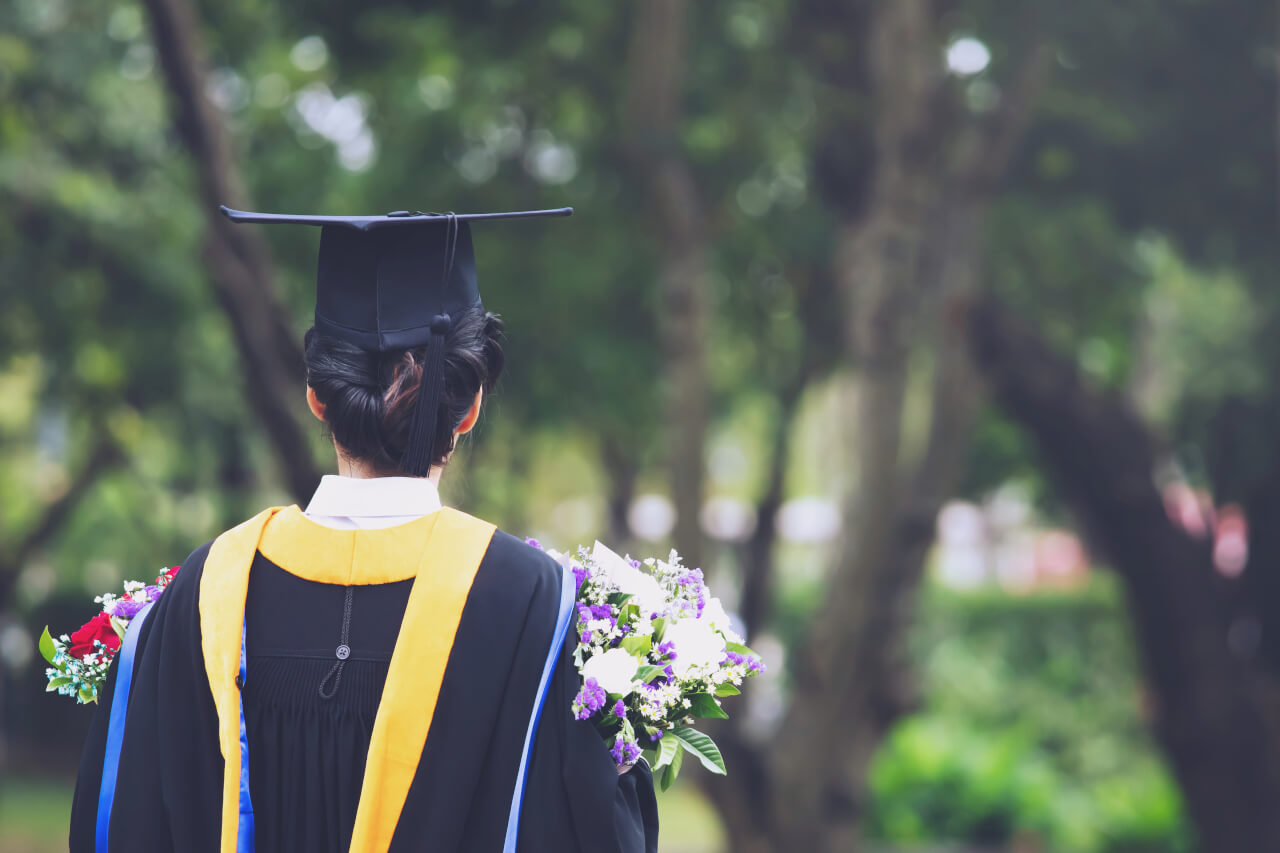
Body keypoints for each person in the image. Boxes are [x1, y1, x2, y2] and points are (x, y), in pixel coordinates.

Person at [69, 206, 659, 853]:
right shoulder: (529, 602)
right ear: (470, 407)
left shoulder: (203, 590)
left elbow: (126, 821)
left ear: (316, 396)